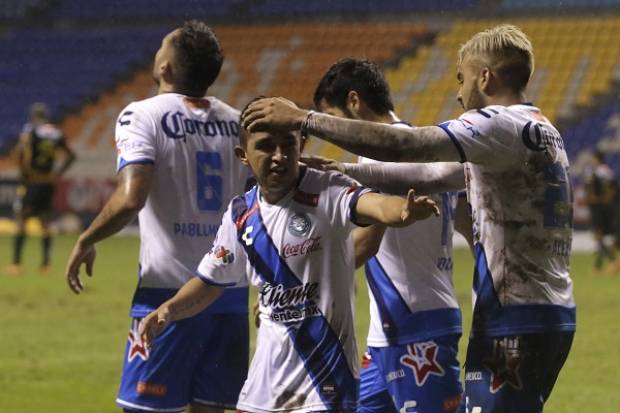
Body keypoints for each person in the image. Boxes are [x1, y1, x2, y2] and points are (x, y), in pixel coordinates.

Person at [241, 24, 575, 413]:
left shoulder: (496, 123)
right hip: (544, 310)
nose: (458, 92)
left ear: (485, 76)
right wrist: (340, 170)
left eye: (462, 78)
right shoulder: (540, 128)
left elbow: (408, 147)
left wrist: (306, 120)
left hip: (511, 317)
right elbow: (433, 176)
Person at [139, 120, 441, 413]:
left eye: (288, 145)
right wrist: (169, 310)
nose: (279, 156)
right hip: (263, 389)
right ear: (242, 155)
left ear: (302, 146)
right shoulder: (241, 214)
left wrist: (402, 210)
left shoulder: (327, 188)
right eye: (266, 147)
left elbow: (372, 204)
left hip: (324, 387)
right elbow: (211, 280)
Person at [65, 21, 251, 413]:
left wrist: (87, 238)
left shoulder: (142, 114)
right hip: (228, 292)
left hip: (167, 292)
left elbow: (131, 198)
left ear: (165, 68)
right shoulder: (238, 123)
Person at [308, 58, 465, 413]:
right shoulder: (422, 146)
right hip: (392, 331)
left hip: (417, 325)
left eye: (332, 120)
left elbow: (365, 244)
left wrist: (303, 276)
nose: (333, 135)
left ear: (354, 102)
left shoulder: (383, 160)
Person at [8, 102, 76, 275]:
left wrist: (24, 173)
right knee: (45, 222)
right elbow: (71, 156)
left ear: (33, 116)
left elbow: (22, 153)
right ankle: (45, 265)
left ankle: (16, 264)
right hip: (48, 183)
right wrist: (57, 173)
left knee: (22, 220)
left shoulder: (30, 131)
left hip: (33, 182)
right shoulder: (56, 133)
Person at [584, 150, 616, 272]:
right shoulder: (605, 171)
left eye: (594, 158)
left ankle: (612, 260)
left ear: (598, 159)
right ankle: (598, 266)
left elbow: (609, 188)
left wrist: (598, 198)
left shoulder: (600, 171)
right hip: (602, 206)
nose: (592, 161)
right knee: (599, 236)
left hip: (599, 206)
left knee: (598, 235)